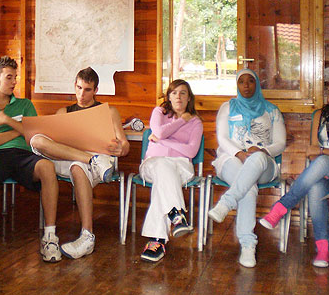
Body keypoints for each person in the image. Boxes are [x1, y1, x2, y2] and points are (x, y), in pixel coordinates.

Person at [260, 73, 329, 268]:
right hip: (322, 170)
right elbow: (311, 152)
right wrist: (319, 157)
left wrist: (323, 153)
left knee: (323, 161)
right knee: (316, 185)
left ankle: (282, 206)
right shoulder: (320, 115)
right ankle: (323, 248)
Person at [0, 56, 61, 262]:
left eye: (15, 77)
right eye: (9, 77)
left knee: (48, 168)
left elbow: (34, 134)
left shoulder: (25, 105)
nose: (14, 82)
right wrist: (19, 130)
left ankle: (50, 236)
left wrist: (7, 121)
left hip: (24, 155)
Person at [28, 67, 129, 259]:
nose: (82, 94)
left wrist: (121, 149)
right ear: (74, 86)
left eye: (88, 89)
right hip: (68, 157)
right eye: (79, 88)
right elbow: (52, 141)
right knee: (37, 140)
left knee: (79, 166)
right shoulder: (64, 111)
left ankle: (87, 236)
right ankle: (90, 160)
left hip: (97, 160)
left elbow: (124, 144)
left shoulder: (109, 111)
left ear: (96, 90)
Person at [207, 68, 286, 268]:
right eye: (242, 81)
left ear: (257, 84)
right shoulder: (228, 107)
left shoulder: (271, 110)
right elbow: (222, 138)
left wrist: (261, 150)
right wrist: (240, 153)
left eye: (250, 81)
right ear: (237, 85)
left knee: (256, 159)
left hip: (264, 165)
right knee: (248, 187)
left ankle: (227, 202)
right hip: (231, 158)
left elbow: (280, 143)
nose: (246, 85)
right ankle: (248, 245)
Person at [136, 79, 202, 262]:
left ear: (189, 98)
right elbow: (159, 130)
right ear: (168, 96)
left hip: (181, 166)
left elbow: (191, 151)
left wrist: (162, 141)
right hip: (152, 163)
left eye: (183, 93)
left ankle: (158, 239)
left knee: (163, 181)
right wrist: (181, 121)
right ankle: (176, 214)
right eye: (174, 93)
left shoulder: (196, 122)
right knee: (163, 167)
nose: (178, 97)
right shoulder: (159, 112)